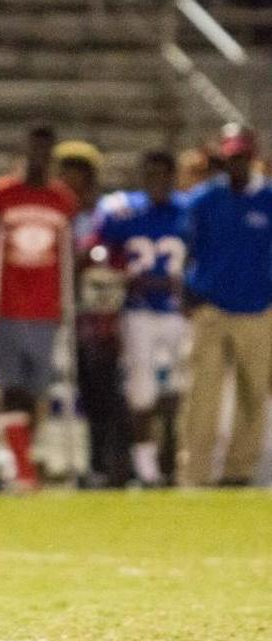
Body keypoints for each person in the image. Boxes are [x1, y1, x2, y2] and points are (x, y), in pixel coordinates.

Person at [0, 126, 78, 490]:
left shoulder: (61, 199)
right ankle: (21, 466)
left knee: (36, 391)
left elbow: (70, 252)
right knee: (10, 387)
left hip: (47, 309)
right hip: (6, 306)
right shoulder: (0, 194)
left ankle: (24, 457)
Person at [178, 124, 272, 487]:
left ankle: (238, 471)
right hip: (212, 308)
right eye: (230, 158)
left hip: (258, 308)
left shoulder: (267, 200)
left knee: (253, 394)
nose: (235, 165)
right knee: (202, 395)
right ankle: (194, 472)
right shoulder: (204, 199)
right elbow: (186, 248)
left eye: (241, 158)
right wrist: (186, 293)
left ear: (252, 158)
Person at [93, 151, 187, 486]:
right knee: (141, 392)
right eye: (152, 174)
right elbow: (99, 250)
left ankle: (174, 459)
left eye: (164, 173)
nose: (158, 180)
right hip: (138, 311)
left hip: (179, 312)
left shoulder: (188, 210)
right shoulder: (122, 210)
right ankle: (147, 469)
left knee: (178, 390)